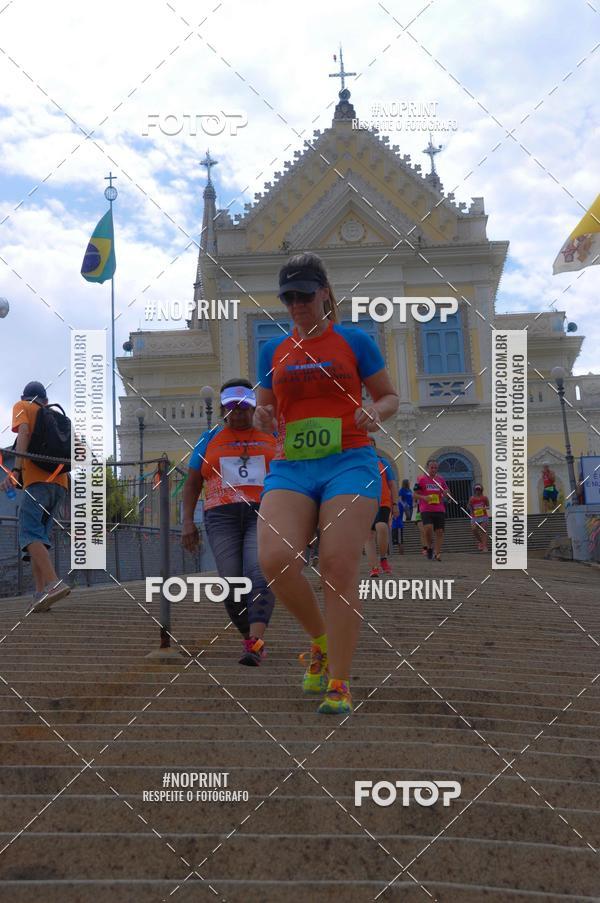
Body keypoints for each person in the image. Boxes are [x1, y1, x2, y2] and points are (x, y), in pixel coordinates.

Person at [255, 252, 399, 715]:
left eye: (304, 295)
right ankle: (319, 640)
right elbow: (263, 410)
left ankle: (338, 679)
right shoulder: (271, 351)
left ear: (325, 294)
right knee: (275, 559)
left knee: (337, 565)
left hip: (350, 461)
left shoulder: (354, 341)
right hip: (293, 466)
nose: (296, 304)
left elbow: (389, 395)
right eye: (288, 297)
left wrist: (376, 411)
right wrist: (261, 416)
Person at [181, 379, 277, 666]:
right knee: (231, 581)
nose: (238, 414)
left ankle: (256, 643)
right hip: (221, 515)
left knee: (258, 573)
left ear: (254, 407)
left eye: (245, 408)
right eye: (232, 408)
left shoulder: (272, 433)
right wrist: (187, 521)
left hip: (263, 510)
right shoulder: (209, 439)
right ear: (223, 410)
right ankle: (250, 637)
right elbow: (192, 482)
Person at [0, 381, 71, 612]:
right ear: (46, 401)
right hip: (60, 484)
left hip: (38, 483)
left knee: (29, 533)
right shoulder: (53, 416)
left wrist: (17, 470)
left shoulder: (23, 406)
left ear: (25, 396)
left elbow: (23, 432)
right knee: (38, 539)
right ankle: (40, 595)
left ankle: (53, 584)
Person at [365, 442, 398, 576]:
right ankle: (374, 567)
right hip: (365, 503)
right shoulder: (358, 463)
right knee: (368, 536)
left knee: (381, 527)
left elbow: (392, 484)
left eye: (371, 445)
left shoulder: (383, 462)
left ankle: (383, 557)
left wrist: (395, 503)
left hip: (383, 502)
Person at [414, 459, 449, 561]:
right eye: (431, 467)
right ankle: (429, 547)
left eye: (435, 468)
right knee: (428, 528)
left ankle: (437, 553)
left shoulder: (441, 480)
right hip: (426, 509)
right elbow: (415, 494)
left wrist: (446, 493)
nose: (433, 469)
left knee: (439, 531)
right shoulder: (422, 480)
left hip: (439, 508)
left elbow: (446, 490)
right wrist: (424, 498)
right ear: (427, 468)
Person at [467, 483, 490, 552]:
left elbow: (488, 506)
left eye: (479, 489)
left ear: (481, 490)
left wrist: (483, 508)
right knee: (474, 530)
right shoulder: (472, 498)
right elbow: (469, 506)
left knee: (483, 531)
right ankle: (481, 542)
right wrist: (471, 513)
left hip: (483, 516)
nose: (478, 491)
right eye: (476, 489)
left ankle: (485, 547)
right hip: (475, 517)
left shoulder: (485, 498)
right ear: (474, 490)